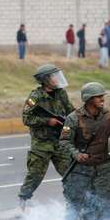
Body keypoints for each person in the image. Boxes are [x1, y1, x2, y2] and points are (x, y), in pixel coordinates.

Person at [59, 82, 110, 220]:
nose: (102, 99)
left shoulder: (109, 117)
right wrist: (76, 154)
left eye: (102, 96)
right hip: (81, 171)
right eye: (99, 96)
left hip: (103, 169)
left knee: (104, 206)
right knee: (75, 206)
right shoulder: (73, 118)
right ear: (89, 98)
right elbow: (64, 142)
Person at [18, 64, 75, 207]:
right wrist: (47, 121)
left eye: (57, 76)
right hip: (41, 143)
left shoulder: (61, 93)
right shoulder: (35, 97)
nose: (57, 79)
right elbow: (26, 119)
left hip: (59, 141)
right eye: (53, 76)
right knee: (35, 175)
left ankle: (73, 203)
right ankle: (23, 202)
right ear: (45, 79)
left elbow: (71, 111)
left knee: (71, 174)